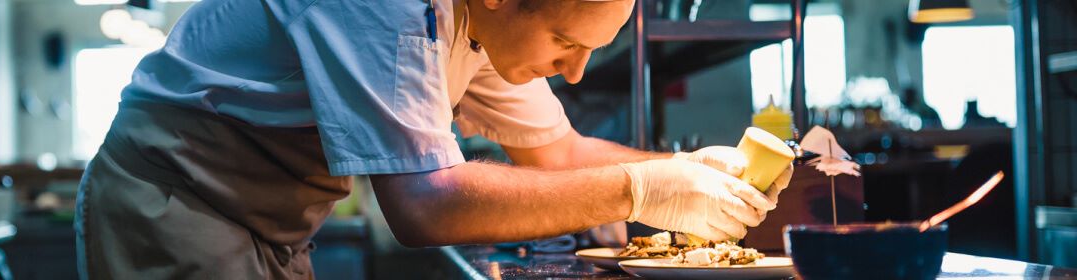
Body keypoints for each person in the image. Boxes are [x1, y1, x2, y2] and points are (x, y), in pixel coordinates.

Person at [75, 0, 793, 278]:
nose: (573, 71)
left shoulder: (483, 28)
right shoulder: (386, 6)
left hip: (267, 226)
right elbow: (425, 205)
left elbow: (561, 154)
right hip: (174, 203)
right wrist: (644, 188)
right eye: (567, 43)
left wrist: (694, 171)